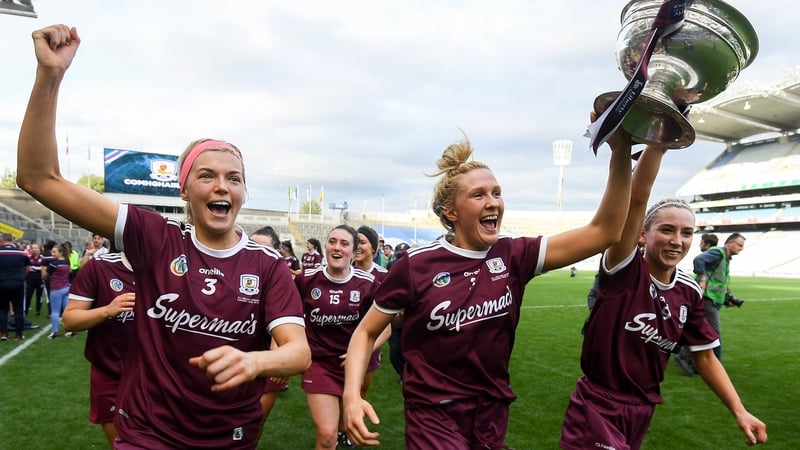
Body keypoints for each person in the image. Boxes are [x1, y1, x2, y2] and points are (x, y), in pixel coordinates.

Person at [17, 24, 310, 448]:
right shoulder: (155, 237)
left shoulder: (267, 265)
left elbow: (298, 352)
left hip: (231, 437)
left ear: (243, 192)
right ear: (184, 189)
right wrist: (50, 75)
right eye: (206, 175)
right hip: (148, 436)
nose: (222, 186)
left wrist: (255, 361)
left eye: (234, 178)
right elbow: (38, 178)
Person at [343, 126, 634, 449]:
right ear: (451, 212)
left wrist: (620, 152)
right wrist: (351, 395)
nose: (493, 202)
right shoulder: (416, 265)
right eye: (478, 195)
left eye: (497, 192)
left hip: (491, 411)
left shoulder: (513, 255)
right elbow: (366, 332)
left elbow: (606, 231)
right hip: (433, 413)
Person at [559, 144, 767, 449]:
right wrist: (659, 141)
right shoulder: (624, 270)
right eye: (667, 229)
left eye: (686, 233)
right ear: (643, 234)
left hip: (643, 410)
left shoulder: (689, 292)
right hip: (597, 406)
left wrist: (739, 410)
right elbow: (637, 198)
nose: (677, 240)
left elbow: (706, 356)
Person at [295, 225, 387, 450]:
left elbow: (385, 327)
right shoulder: (306, 279)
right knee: (327, 436)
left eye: (344, 243)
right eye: (332, 241)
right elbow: (288, 317)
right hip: (319, 363)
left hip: (352, 367)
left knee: (341, 428)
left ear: (354, 251)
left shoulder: (367, 284)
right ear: (325, 246)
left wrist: (363, 351)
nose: (337, 247)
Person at [61, 251, 135, 448]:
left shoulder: (170, 267)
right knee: (122, 445)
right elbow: (69, 321)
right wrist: (107, 311)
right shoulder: (100, 266)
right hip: (111, 373)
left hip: (156, 377)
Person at [674, 232, 746, 375]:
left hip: (713, 299)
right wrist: (702, 277)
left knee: (699, 330)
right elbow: (699, 260)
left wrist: (726, 300)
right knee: (713, 333)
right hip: (706, 298)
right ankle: (714, 366)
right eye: (739, 245)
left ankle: (684, 354)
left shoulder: (725, 258)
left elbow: (718, 282)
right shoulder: (718, 253)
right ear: (730, 243)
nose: (741, 248)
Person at [250, 226, 291, 434]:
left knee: (253, 426)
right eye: (252, 246)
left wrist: (279, 357)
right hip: (235, 360)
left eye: (263, 248)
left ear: (276, 251)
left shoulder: (281, 281)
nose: (257, 253)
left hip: (268, 363)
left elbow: (286, 325)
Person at [353, 225, 389, 399]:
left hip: (369, 342)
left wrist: (368, 348)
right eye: (354, 242)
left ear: (374, 248)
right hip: (339, 340)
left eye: (362, 242)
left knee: (360, 391)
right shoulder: (342, 271)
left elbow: (388, 320)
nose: (357, 246)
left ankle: (346, 426)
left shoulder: (384, 276)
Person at [385, 242, 410, 379]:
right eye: (399, 255)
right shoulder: (391, 266)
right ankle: (403, 373)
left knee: (409, 348)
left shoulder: (417, 267)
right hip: (395, 312)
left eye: (403, 255)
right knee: (394, 350)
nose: (401, 258)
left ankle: (407, 375)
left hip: (411, 313)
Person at [0, 233, 30, 341]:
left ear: (2, 240)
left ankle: (3, 333)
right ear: (12, 241)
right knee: (18, 309)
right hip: (17, 282)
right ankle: (18, 334)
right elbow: (28, 268)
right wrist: (22, 277)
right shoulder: (21, 253)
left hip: (2, 282)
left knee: (3, 309)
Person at [43, 243, 71, 339]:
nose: (52, 253)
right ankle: (71, 330)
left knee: (55, 311)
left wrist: (43, 268)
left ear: (61, 252)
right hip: (66, 288)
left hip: (56, 289)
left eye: (54, 252)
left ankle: (55, 333)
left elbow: (44, 275)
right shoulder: (67, 262)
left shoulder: (53, 264)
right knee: (67, 311)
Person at [24, 242, 46, 317]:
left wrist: (33, 268)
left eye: (36, 248)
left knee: (39, 296)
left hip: (40, 279)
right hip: (30, 279)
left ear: (39, 249)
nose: (34, 250)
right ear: (30, 249)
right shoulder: (28, 257)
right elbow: (26, 268)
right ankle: (25, 310)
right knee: (28, 295)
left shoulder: (43, 258)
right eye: (33, 248)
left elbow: (44, 268)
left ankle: (38, 310)